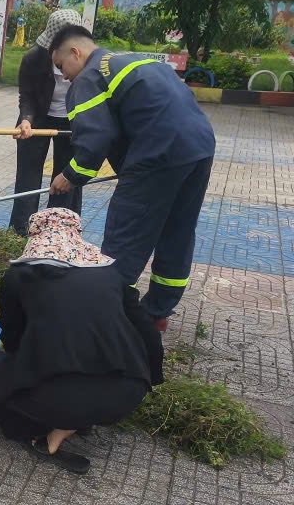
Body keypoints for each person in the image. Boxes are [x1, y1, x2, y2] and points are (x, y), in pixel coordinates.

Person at [0, 208, 163, 473]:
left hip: (63, 397)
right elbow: (147, 331)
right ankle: (81, 419)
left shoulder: (20, 275)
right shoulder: (110, 274)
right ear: (76, 234)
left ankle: (40, 433)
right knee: (77, 381)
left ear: (35, 236)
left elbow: (12, 334)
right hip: (127, 393)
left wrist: (17, 366)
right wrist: (151, 376)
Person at [48, 24, 216, 327]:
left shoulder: (89, 78)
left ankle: (104, 316)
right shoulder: (133, 60)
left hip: (158, 151)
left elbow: (94, 140)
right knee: (177, 230)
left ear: (76, 52)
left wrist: (68, 176)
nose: (65, 75)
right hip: (200, 146)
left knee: (126, 233)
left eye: (62, 66)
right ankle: (157, 313)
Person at [9, 8, 83, 235]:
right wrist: (26, 120)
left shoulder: (86, 61)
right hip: (38, 120)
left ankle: (58, 231)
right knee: (28, 177)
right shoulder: (34, 58)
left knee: (65, 178)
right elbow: (27, 96)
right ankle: (21, 231)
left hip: (71, 123)